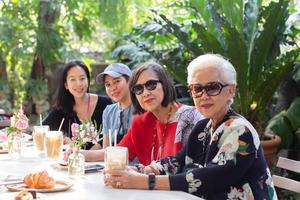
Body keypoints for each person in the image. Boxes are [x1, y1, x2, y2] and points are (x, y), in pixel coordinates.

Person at [104, 54, 278, 200]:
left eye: (212, 87)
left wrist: (145, 181)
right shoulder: (204, 127)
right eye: (197, 89)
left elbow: (209, 179)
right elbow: (177, 162)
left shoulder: (240, 130)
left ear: (231, 90)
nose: (203, 95)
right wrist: (137, 170)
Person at [66, 62, 203, 165]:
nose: (145, 93)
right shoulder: (141, 122)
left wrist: (142, 178)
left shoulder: (190, 118)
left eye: (151, 84)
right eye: (138, 89)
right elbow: (117, 153)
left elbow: (192, 174)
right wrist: (78, 152)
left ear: (165, 84)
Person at [43, 60, 112, 150]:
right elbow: (42, 130)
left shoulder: (105, 104)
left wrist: (87, 154)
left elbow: (113, 136)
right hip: (73, 161)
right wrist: (63, 138)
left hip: (102, 161)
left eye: (82, 78)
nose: (78, 84)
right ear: (66, 85)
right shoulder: (61, 108)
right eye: (73, 79)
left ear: (88, 80)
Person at [95, 63, 133, 148]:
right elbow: (106, 151)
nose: (112, 88)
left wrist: (83, 154)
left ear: (130, 81)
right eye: (108, 84)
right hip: (113, 161)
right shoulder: (108, 111)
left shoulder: (142, 108)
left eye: (117, 81)